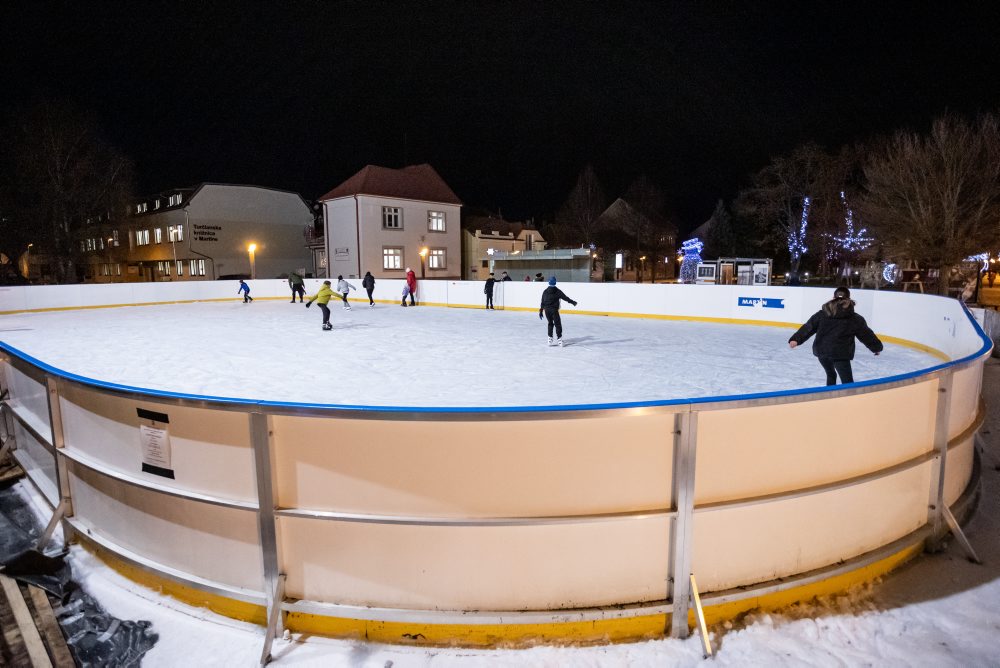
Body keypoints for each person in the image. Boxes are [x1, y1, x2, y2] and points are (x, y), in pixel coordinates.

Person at [788, 286, 883, 385]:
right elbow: (866, 335)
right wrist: (876, 348)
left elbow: (809, 327)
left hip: (822, 352)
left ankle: (830, 397)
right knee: (847, 382)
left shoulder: (822, 314)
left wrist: (796, 339)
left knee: (831, 375)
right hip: (840, 354)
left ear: (833, 298)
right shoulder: (855, 318)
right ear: (849, 300)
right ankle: (848, 398)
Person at [538, 276, 577, 346]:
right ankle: (559, 340)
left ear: (549, 282)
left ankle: (550, 339)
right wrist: (572, 302)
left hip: (547, 311)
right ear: (555, 283)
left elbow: (542, 302)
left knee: (550, 323)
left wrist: (540, 311)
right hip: (554, 311)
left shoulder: (545, 291)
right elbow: (565, 298)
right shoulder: (558, 291)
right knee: (558, 324)